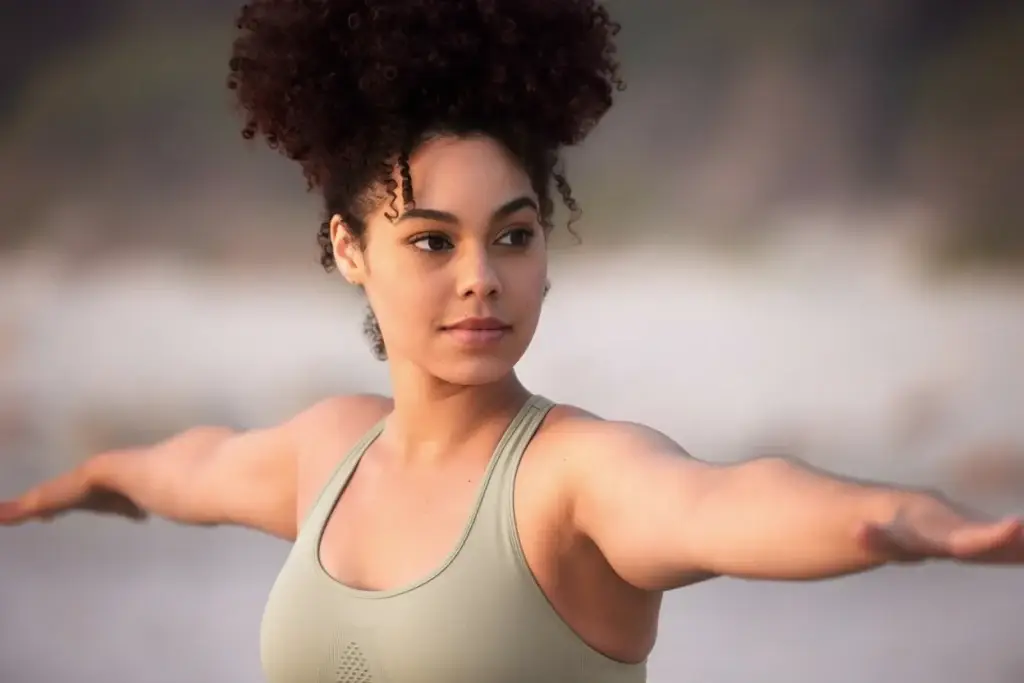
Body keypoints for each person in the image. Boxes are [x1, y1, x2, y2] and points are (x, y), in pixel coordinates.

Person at [2, 1, 1022, 682]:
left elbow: (731, 498)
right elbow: (182, 469)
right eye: (431, 240)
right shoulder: (328, 451)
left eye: (514, 234)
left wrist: (912, 521)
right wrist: (75, 482)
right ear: (349, 247)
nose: (481, 273)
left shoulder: (571, 478)